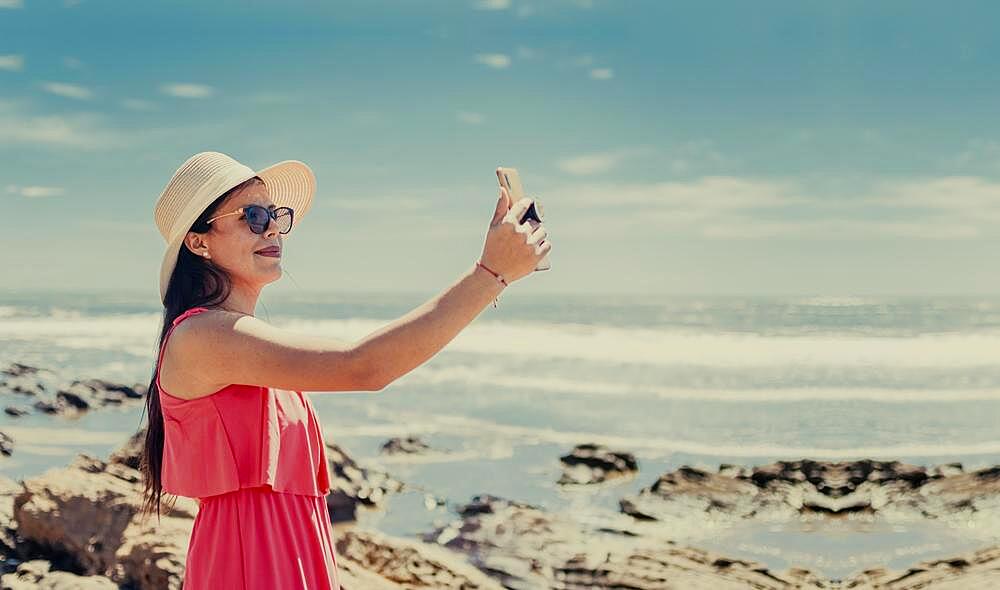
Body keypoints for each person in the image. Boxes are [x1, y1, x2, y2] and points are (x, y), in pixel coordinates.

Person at [138, 151, 552, 589]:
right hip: (247, 567)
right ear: (198, 241)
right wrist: (490, 274)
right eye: (253, 216)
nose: (273, 228)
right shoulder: (203, 336)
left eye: (276, 214)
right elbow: (364, 367)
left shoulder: (242, 343)